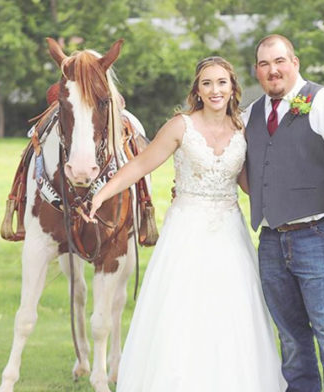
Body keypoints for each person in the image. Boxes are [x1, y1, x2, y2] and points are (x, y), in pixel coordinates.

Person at [86, 56, 286, 392]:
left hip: (229, 233)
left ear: (233, 87)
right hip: (187, 231)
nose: (215, 90)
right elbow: (141, 165)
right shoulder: (181, 126)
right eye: (207, 83)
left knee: (232, 310)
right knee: (182, 311)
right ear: (198, 89)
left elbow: (251, 184)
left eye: (221, 82)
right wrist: (101, 193)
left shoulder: (242, 130)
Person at [242, 34, 324, 391]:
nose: (273, 70)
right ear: (256, 70)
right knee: (290, 336)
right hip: (270, 240)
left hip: (317, 236)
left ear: (295, 62)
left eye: (280, 61)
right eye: (265, 64)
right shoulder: (250, 114)